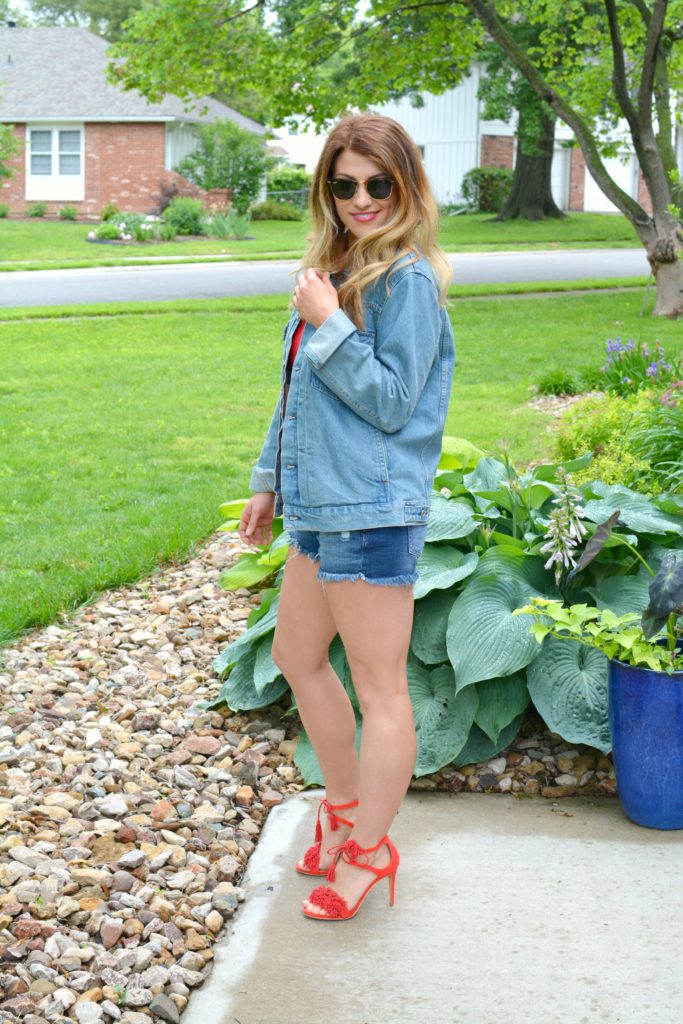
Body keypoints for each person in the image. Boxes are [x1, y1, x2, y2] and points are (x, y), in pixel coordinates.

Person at [238, 112, 455, 921]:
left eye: (377, 183)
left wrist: (329, 324)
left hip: (371, 510)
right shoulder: (332, 267)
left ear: (404, 185)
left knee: (380, 688)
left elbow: (395, 404)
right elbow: (294, 393)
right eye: (343, 183)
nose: (360, 198)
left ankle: (370, 847)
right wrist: (267, 481)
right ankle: (340, 806)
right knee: (298, 655)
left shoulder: (407, 281)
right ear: (326, 187)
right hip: (320, 505)